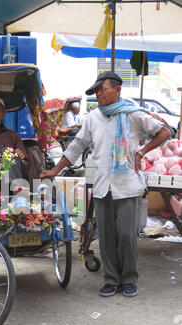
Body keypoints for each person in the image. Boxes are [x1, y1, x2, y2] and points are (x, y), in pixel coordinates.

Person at [40, 71, 171, 297]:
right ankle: (111, 279)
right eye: (96, 91)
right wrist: (55, 169)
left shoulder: (133, 114)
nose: (98, 94)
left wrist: (142, 152)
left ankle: (129, 279)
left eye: (102, 89)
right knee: (107, 236)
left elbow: (164, 131)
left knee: (128, 236)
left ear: (117, 90)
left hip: (127, 185)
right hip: (102, 186)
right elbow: (77, 146)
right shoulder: (93, 118)